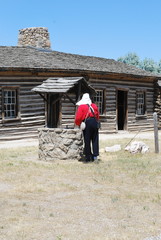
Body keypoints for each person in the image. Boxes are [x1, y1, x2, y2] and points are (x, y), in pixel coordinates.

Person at [75, 93, 100, 162]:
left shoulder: (81, 106)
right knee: (95, 139)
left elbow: (78, 117)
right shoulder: (94, 106)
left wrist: (78, 124)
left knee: (87, 140)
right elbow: (97, 116)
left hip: (87, 123)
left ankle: (88, 156)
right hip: (94, 122)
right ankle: (95, 156)